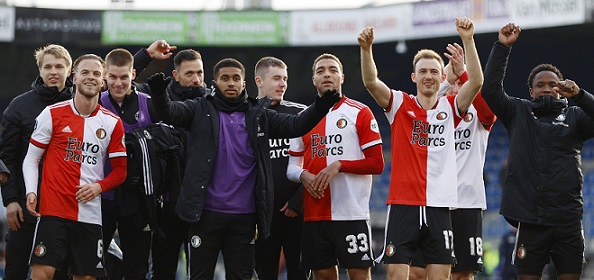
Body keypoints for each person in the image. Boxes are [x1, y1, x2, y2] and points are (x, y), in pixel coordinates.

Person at [145, 57, 340, 279]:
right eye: (225, 78)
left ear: (244, 84)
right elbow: (170, 113)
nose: (230, 83)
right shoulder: (200, 109)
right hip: (205, 215)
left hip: (244, 218)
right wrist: (160, 95)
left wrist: (321, 106)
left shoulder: (258, 114)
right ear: (215, 82)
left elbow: (295, 125)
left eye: (236, 78)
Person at [358, 16, 483, 280]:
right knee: (395, 274)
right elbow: (371, 83)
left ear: (442, 77)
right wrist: (366, 49)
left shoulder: (450, 107)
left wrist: (469, 40)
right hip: (404, 203)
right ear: (414, 76)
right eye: (423, 72)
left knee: (440, 275)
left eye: (434, 72)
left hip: (440, 204)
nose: (428, 76)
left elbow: (476, 83)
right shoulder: (400, 104)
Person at [481, 23, 594, 280]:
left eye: (552, 84)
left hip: (567, 219)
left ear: (562, 88)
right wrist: (503, 47)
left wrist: (580, 95)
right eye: (540, 84)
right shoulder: (518, 112)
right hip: (530, 220)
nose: (546, 88)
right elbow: (490, 91)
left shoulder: (576, 116)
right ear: (531, 91)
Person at [22, 54, 127, 280]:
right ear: (74, 78)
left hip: (89, 215)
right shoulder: (52, 114)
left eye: (96, 74)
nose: (91, 77)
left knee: (86, 277)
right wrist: (31, 191)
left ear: (103, 82)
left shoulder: (112, 123)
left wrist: (99, 187)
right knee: (42, 274)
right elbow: (31, 158)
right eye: (85, 72)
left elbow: (120, 171)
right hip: (52, 211)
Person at [285, 53, 385, 280]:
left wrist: (339, 165)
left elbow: (377, 163)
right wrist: (304, 176)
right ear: (313, 79)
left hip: (351, 212)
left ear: (342, 76)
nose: (327, 74)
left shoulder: (359, 112)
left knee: (359, 274)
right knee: (323, 275)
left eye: (332, 70)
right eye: (320, 71)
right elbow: (291, 168)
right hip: (315, 214)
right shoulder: (302, 118)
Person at [0, 44, 74, 280]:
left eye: (59, 66)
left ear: (69, 71)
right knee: (15, 273)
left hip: (66, 207)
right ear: (40, 70)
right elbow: (6, 157)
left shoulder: (82, 105)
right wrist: (11, 200)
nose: (53, 71)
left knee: (60, 274)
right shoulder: (19, 107)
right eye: (48, 66)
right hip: (24, 206)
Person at [136, 48, 210, 279]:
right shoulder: (155, 95)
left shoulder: (213, 102)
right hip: (166, 205)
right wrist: (146, 55)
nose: (196, 79)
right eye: (189, 74)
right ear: (176, 76)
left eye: (199, 73)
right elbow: (119, 78)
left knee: (200, 273)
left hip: (204, 204)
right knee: (163, 271)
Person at [100, 48, 161, 280]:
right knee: (90, 265)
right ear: (105, 76)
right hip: (101, 198)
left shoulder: (149, 104)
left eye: (124, 77)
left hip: (137, 199)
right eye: (113, 77)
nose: (118, 83)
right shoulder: (94, 102)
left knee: (137, 268)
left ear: (133, 74)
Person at [253, 56, 309, 280]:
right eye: (276, 78)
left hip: (297, 211)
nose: (282, 84)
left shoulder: (301, 114)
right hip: (259, 214)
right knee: (264, 274)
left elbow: (317, 159)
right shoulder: (245, 115)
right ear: (259, 80)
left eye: (285, 79)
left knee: (300, 273)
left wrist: (299, 200)